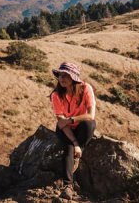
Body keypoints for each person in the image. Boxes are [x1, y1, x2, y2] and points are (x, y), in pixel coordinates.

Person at [50, 62, 96, 200]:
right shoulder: (56, 95)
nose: (62, 78)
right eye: (60, 75)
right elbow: (61, 123)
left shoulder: (86, 88)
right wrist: (75, 143)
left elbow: (90, 115)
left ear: (74, 78)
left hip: (81, 125)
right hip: (65, 129)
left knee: (90, 124)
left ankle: (78, 150)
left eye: (66, 75)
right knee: (68, 148)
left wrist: (70, 119)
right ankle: (67, 186)